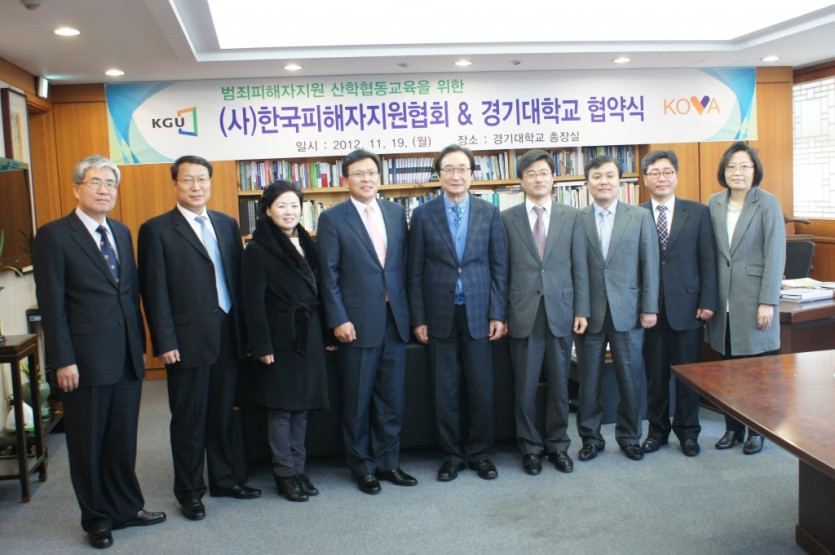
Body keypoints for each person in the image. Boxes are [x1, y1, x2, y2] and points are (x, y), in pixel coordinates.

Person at [33, 155, 165, 549]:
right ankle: (97, 519)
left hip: (125, 357)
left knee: (122, 440)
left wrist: (138, 347)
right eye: (95, 182)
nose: (104, 190)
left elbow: (129, 294)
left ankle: (126, 508)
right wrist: (63, 359)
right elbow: (52, 304)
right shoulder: (54, 236)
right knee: (88, 444)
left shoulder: (121, 232)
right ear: (77, 188)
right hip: (83, 361)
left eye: (110, 183)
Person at [138, 155, 261, 521]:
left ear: (210, 182)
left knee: (222, 414)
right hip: (186, 340)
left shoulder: (226, 223)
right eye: (188, 180)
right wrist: (164, 341)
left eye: (202, 179)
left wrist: (246, 334)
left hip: (227, 334)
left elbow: (236, 281)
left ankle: (224, 479)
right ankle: (190, 491)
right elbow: (154, 291)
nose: (196, 186)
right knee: (189, 420)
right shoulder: (156, 229)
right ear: (175, 184)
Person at [317, 149, 417, 495]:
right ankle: (362, 466)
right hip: (356, 323)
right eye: (358, 174)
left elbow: (402, 267)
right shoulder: (332, 218)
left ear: (380, 177)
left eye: (371, 173)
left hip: (394, 319)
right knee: (357, 401)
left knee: (392, 399)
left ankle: (389, 463)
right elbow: (327, 275)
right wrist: (338, 318)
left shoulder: (395, 212)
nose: (366, 179)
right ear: (346, 180)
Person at [408, 144, 508, 482]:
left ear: (472, 174)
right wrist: (419, 318)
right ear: (439, 175)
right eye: (448, 169)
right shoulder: (423, 215)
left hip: (479, 313)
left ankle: (480, 454)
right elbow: (414, 271)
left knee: (481, 389)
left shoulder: (488, 212)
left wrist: (498, 313)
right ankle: (451, 455)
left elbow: (499, 266)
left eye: (462, 169)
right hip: (439, 314)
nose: (455, 175)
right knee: (444, 391)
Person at [240, 181, 330, 502]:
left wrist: (326, 333)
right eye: (281, 205)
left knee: (301, 407)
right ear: (267, 210)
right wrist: (261, 345)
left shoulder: (307, 241)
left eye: (294, 205)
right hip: (279, 336)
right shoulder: (257, 248)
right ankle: (284, 473)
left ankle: (299, 469)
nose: (289, 211)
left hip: (307, 334)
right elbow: (252, 302)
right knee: (281, 409)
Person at [501, 149, 589, 476]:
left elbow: (580, 266)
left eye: (544, 172)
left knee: (560, 386)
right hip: (523, 313)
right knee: (524, 388)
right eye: (531, 173)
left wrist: (581, 310)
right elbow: (502, 271)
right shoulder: (506, 219)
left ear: (553, 178)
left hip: (561, 311)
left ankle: (558, 445)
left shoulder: (572, 216)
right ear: (521, 180)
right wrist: (502, 314)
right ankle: (530, 448)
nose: (538, 178)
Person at [575, 155, 659, 462]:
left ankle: (630, 436)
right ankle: (590, 438)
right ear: (587, 183)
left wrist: (650, 307)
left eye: (610, 176)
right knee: (589, 381)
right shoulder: (577, 218)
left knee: (630, 378)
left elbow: (650, 266)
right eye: (597, 176)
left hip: (630, 311)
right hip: (589, 314)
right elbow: (574, 268)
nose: (604, 182)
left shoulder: (639, 217)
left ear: (620, 181)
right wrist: (577, 310)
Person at [706, 141, 785, 455]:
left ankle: (757, 430)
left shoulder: (767, 203)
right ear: (723, 171)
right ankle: (733, 428)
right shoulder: (714, 202)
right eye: (731, 166)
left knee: (754, 371)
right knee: (727, 369)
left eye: (744, 166)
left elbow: (775, 254)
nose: (737, 172)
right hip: (721, 298)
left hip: (752, 299)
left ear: (755, 171)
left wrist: (768, 301)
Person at [639, 150, 718, 457]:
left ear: (676, 176)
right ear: (645, 179)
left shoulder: (698, 212)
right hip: (651, 310)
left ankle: (688, 432)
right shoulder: (635, 214)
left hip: (688, 306)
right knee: (655, 377)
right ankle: (657, 431)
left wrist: (708, 300)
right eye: (655, 172)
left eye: (668, 172)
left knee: (688, 376)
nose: (662, 178)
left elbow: (707, 258)